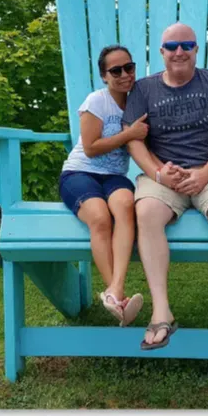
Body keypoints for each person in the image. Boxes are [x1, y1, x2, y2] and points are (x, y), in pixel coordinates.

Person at [122, 23, 208, 354]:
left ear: (197, 49)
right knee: (146, 211)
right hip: (164, 176)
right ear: (162, 52)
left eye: (187, 44)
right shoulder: (143, 90)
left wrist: (205, 173)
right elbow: (133, 139)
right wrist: (157, 174)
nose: (179, 51)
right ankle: (161, 310)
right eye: (172, 46)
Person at [59, 45, 147, 326]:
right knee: (99, 218)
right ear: (104, 75)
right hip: (79, 173)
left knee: (125, 206)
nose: (124, 74)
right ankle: (116, 294)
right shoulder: (97, 101)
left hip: (113, 177)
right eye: (116, 70)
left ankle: (114, 291)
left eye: (129, 67)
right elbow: (91, 147)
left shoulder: (138, 102)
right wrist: (129, 134)